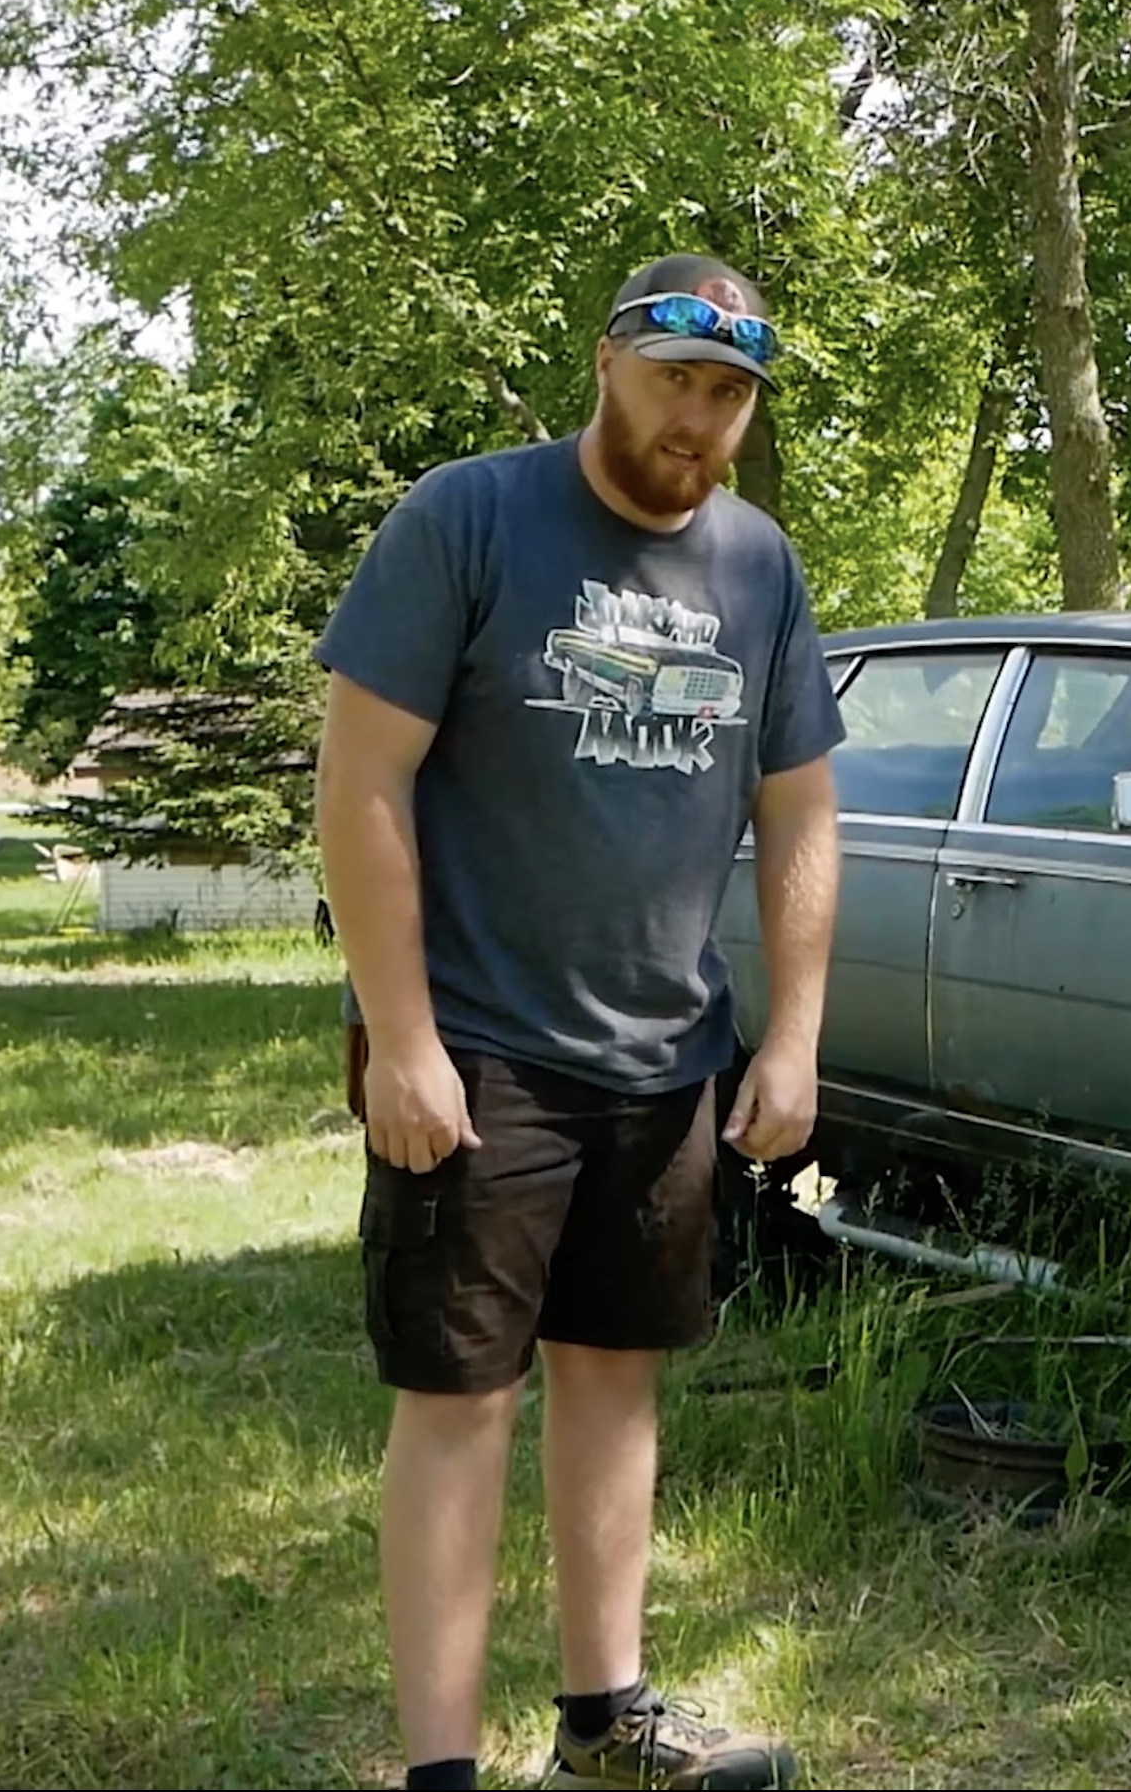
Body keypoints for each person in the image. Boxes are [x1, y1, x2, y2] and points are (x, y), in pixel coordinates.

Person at [315, 252, 845, 1792]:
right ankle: (439, 1772)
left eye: (733, 392)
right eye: (679, 378)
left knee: (616, 1374)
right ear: (608, 362)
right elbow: (361, 783)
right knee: (462, 1396)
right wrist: (401, 1037)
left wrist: (794, 1034)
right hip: (478, 1050)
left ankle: (605, 1724)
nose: (702, 417)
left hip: (667, 1052)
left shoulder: (761, 568)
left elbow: (800, 812)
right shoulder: (469, 519)